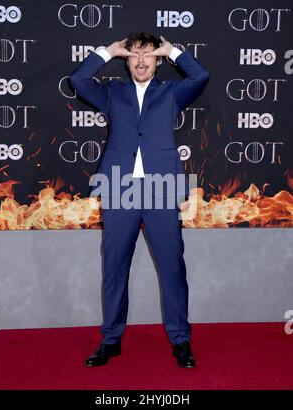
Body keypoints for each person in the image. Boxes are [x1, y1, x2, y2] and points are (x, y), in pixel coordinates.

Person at [70, 32, 210, 368]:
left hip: (162, 188)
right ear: (126, 60)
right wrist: (108, 51)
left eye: (148, 55)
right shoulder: (112, 93)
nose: (141, 61)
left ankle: (181, 340)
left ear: (158, 60)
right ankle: (111, 339)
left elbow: (200, 75)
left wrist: (172, 50)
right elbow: (78, 79)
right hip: (119, 187)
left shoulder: (172, 92)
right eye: (134, 55)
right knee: (115, 267)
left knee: (172, 267)